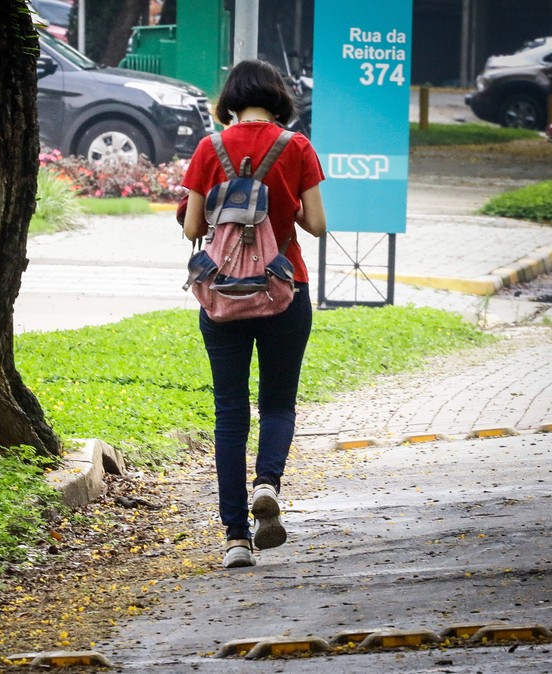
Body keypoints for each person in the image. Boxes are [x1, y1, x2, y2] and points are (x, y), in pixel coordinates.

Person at [181, 59, 327, 569]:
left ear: (231, 101)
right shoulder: (297, 147)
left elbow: (192, 226)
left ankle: (236, 540)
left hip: (222, 298)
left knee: (229, 414)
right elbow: (317, 225)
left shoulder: (209, 148)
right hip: (285, 290)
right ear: (278, 98)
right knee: (279, 403)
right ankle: (267, 482)